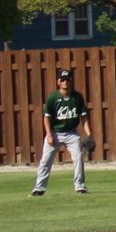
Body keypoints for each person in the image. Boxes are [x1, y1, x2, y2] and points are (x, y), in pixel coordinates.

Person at [32, 67, 93, 195]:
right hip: (55, 132)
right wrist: (49, 134)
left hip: (72, 132)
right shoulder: (53, 97)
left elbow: (84, 117)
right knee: (46, 160)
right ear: (58, 82)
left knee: (78, 157)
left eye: (67, 79)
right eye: (63, 79)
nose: (65, 82)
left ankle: (80, 185)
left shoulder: (77, 97)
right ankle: (39, 188)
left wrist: (89, 134)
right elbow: (47, 118)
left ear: (71, 81)